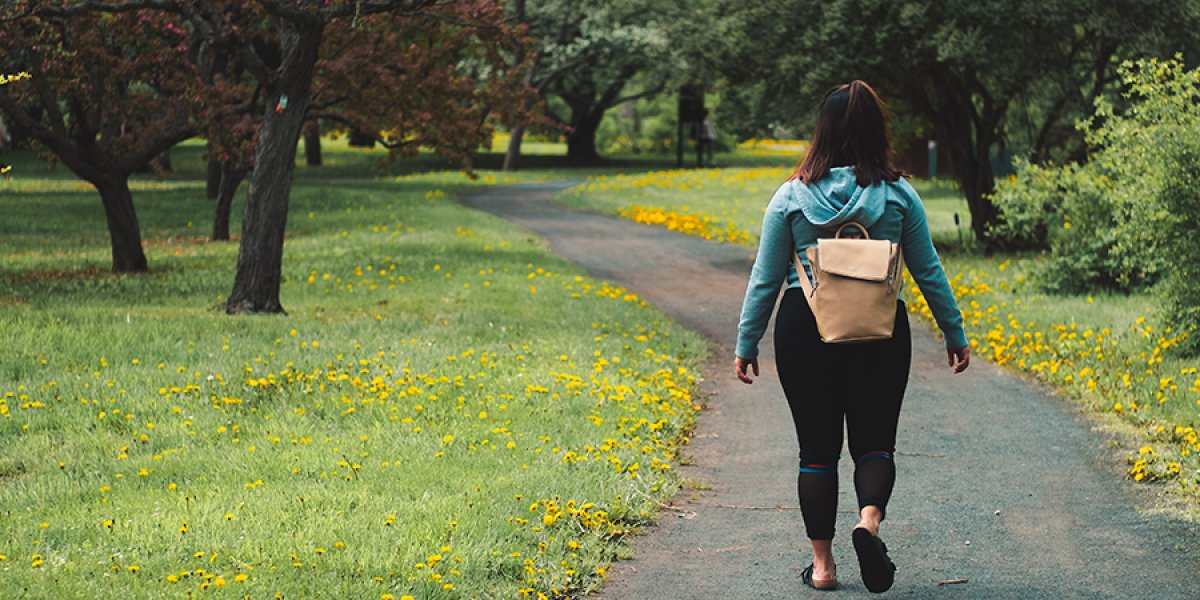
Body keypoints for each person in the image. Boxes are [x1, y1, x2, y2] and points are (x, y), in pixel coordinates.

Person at [732, 80, 970, 593]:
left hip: (804, 326)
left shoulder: (791, 196)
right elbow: (928, 271)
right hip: (880, 328)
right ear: (875, 133)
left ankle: (822, 567)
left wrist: (746, 342)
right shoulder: (899, 195)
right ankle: (867, 524)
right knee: (874, 443)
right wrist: (954, 332)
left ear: (822, 132)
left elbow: (766, 277)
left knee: (816, 452)